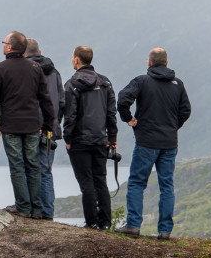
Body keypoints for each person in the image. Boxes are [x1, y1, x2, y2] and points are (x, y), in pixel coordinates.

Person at [116, 48, 191, 240]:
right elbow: (186, 110)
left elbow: (123, 99)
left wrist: (129, 119)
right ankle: (165, 231)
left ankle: (133, 226)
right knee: (167, 185)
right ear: (167, 62)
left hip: (146, 142)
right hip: (169, 143)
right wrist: (173, 126)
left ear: (149, 62)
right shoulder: (178, 84)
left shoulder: (142, 81)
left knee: (136, 183)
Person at [0, 31, 54, 218]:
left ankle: (23, 207)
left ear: (9, 47)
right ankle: (37, 209)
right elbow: (45, 99)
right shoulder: (35, 68)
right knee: (33, 165)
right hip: (32, 125)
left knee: (17, 166)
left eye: (4, 42)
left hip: (11, 127)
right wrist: (49, 124)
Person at [62, 46, 117, 230]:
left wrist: (67, 138)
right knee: (101, 179)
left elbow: (70, 115)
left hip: (79, 140)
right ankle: (106, 222)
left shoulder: (72, 84)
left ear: (77, 60)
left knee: (86, 182)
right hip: (100, 139)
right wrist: (112, 137)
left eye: (72, 57)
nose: (72, 60)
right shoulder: (105, 83)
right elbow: (111, 113)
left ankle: (91, 222)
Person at [26, 39, 64, 221]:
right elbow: (62, 102)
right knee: (46, 171)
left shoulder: (26, 70)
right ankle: (48, 212)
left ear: (24, 53)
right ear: (40, 51)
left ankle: (33, 209)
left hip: (31, 127)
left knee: (29, 169)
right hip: (50, 129)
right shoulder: (55, 73)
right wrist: (54, 123)